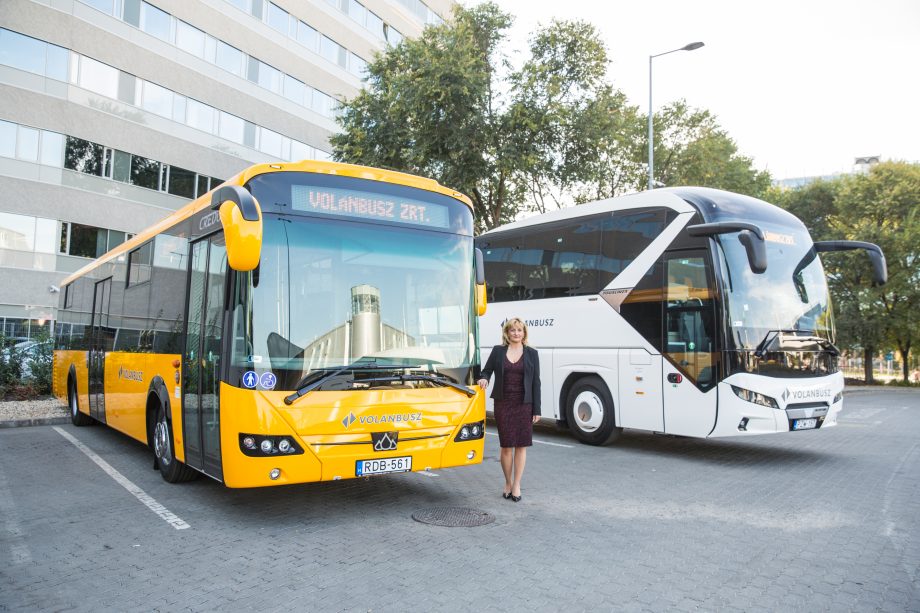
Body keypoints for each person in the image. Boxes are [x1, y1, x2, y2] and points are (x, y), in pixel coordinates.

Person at [477, 318, 541, 502]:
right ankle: (507, 482)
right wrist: (484, 379)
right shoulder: (498, 351)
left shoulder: (532, 354)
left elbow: (536, 382)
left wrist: (537, 409)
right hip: (503, 403)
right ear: (507, 332)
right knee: (506, 446)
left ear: (524, 333)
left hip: (524, 404)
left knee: (521, 445)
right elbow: (486, 370)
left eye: (519, 330)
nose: (516, 333)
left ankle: (517, 484)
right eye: (512, 330)